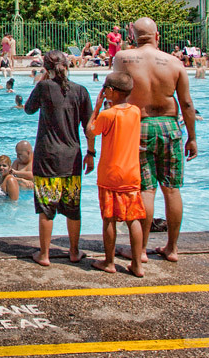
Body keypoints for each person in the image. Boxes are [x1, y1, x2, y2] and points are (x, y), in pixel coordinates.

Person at [113, 17, 197, 263]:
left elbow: (115, 93)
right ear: (157, 36)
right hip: (170, 126)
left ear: (133, 37)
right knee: (172, 189)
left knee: (145, 191)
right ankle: (172, 248)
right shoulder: (174, 63)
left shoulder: (123, 58)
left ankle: (140, 250)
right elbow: (187, 103)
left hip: (138, 125)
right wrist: (191, 137)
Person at [24, 50, 93, 267]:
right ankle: (73, 251)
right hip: (72, 158)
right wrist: (91, 154)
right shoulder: (81, 91)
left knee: (46, 208)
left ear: (46, 68)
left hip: (47, 158)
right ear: (67, 65)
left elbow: (28, 109)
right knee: (73, 208)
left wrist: (43, 79)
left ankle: (44, 255)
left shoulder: (44, 87)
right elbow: (89, 127)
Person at [86, 72, 145, 277]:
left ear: (110, 91)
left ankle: (109, 263)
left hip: (110, 174)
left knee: (109, 219)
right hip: (132, 173)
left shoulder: (107, 115)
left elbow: (90, 131)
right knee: (133, 219)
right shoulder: (136, 111)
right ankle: (137, 265)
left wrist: (97, 106)